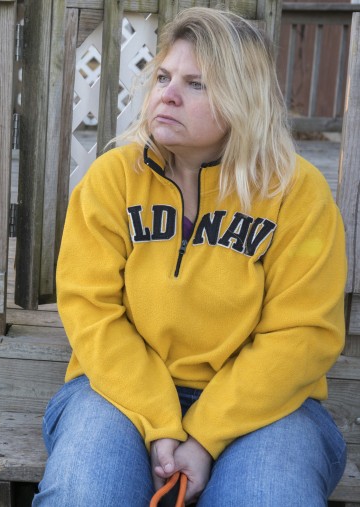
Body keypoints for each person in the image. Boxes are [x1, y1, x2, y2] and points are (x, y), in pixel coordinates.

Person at [33, 7, 347, 506]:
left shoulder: (295, 193)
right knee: (83, 494)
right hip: (116, 394)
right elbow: (91, 312)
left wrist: (203, 436)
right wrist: (160, 422)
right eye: (163, 77)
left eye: (196, 84)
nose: (168, 94)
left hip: (268, 409)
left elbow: (303, 333)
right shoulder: (113, 181)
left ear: (242, 99)